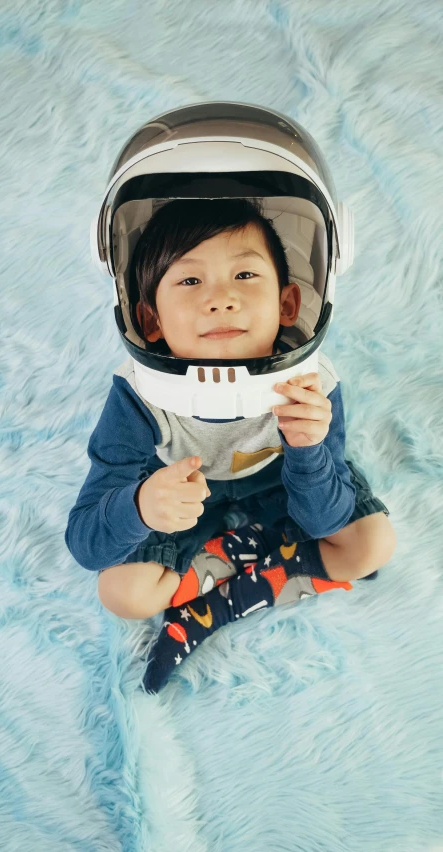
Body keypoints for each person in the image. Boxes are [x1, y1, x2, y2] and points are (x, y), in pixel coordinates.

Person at [65, 199, 397, 693]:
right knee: (123, 593)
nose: (221, 299)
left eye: (244, 275)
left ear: (288, 304)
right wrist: (140, 506)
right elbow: (86, 541)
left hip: (283, 483)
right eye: (190, 281)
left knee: (374, 544)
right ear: (150, 318)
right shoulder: (138, 396)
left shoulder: (311, 384)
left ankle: (215, 605)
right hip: (178, 499)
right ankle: (275, 559)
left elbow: (325, 518)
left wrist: (308, 449)